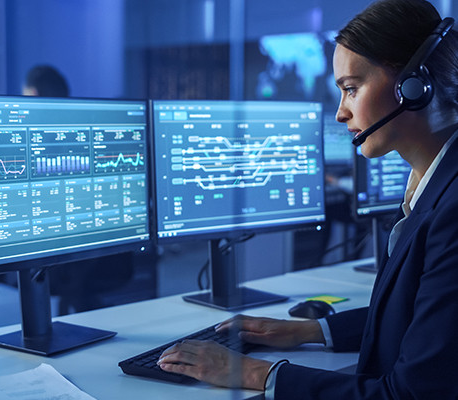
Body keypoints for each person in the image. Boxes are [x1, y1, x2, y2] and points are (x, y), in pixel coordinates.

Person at [156, 0, 458, 398]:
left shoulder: (452, 209)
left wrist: (256, 374)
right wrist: (312, 330)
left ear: (413, 87)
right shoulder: (434, 183)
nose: (340, 113)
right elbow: (424, 322)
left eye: (351, 89)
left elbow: (411, 394)